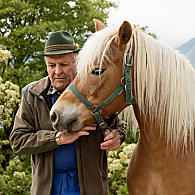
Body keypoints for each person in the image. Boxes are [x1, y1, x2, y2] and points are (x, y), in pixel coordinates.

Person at [10, 30, 127, 195]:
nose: (57, 71)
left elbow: (118, 125)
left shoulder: (94, 88)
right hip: (48, 189)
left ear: (77, 62)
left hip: (90, 188)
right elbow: (17, 141)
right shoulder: (32, 94)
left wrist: (117, 136)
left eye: (63, 64)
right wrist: (56, 138)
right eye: (51, 65)